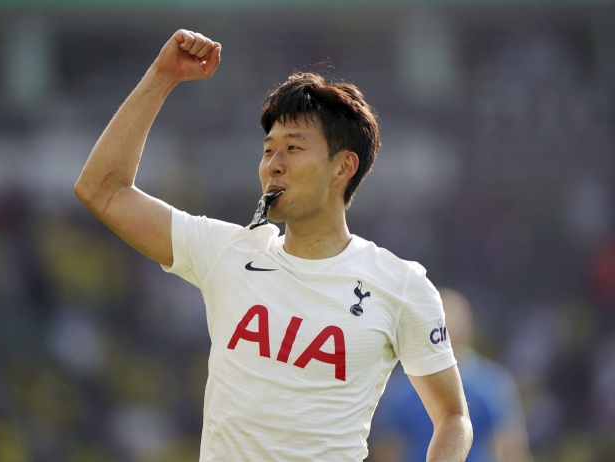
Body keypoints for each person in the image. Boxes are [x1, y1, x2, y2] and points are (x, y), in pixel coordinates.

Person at [74, 29, 473, 461]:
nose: (273, 165)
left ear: (343, 167)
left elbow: (453, 417)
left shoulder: (401, 285)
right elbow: (103, 190)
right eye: (268, 151)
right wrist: (161, 76)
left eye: (293, 148)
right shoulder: (229, 251)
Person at [368, 288, 533, 462]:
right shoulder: (401, 388)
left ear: (468, 328)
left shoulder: (492, 384)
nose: (447, 329)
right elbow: (387, 449)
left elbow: (511, 448)